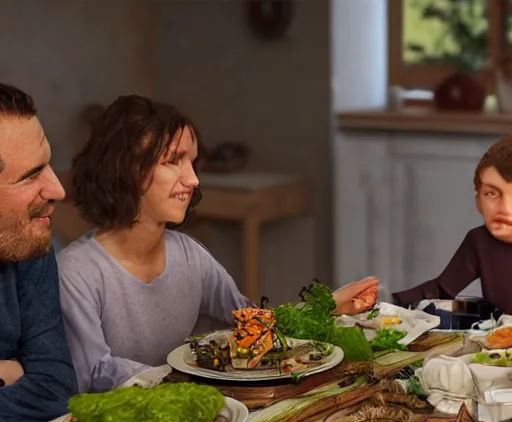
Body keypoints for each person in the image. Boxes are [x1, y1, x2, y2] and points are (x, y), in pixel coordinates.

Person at [57, 95, 378, 394]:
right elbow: (93, 373)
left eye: (192, 162)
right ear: (126, 168)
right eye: (173, 161)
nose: (193, 179)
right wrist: (186, 379)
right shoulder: (77, 271)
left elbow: (254, 325)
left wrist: (328, 306)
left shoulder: (189, 255)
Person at [0, 83, 78, 422]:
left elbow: (56, 391)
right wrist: (11, 372)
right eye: (31, 175)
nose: (57, 189)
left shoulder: (29, 244)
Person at [392, 136, 512, 314]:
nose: (505, 208)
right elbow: (441, 291)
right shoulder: (479, 242)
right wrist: (385, 303)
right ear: (478, 199)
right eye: (492, 193)